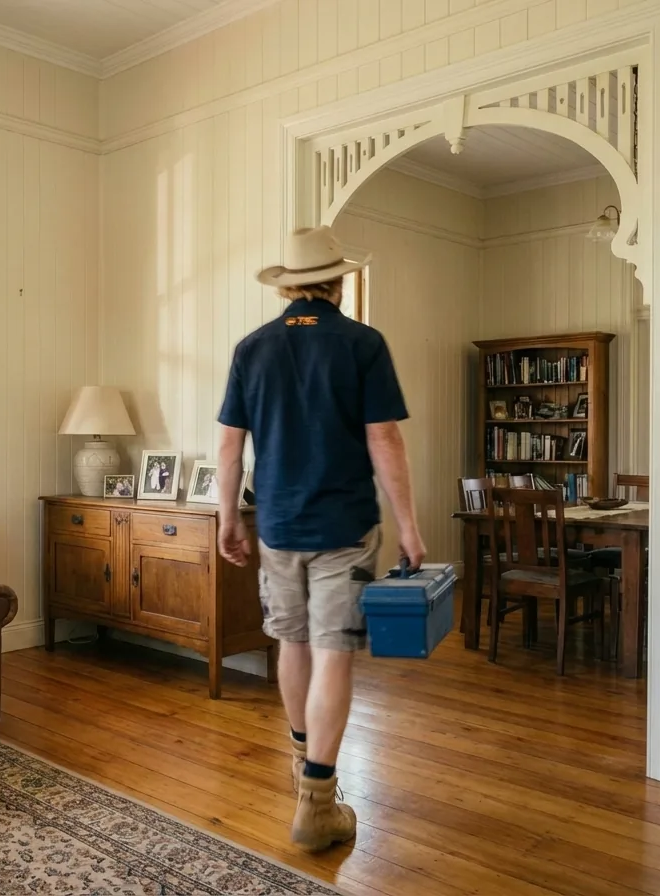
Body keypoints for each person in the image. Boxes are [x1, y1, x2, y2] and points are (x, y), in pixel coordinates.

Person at [215, 226, 425, 853]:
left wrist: (229, 517)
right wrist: (410, 527)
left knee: (293, 643)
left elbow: (229, 447)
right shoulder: (361, 343)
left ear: (289, 285)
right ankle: (316, 801)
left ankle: (304, 761)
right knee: (334, 651)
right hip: (344, 527)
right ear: (337, 281)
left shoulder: (252, 349)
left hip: (276, 526)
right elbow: (383, 439)